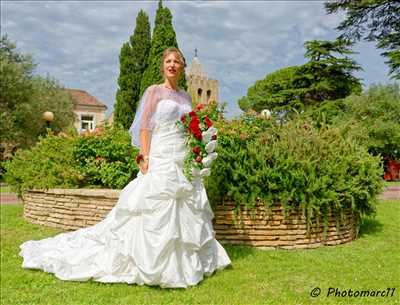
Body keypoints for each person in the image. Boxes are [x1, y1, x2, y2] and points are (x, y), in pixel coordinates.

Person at [19, 47, 232, 288]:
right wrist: (145, 155)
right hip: (160, 155)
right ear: (163, 66)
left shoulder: (186, 97)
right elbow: (144, 126)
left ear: (183, 67)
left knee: (187, 205)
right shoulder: (154, 91)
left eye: (177, 62)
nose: (172, 65)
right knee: (154, 203)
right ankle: (146, 260)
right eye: (168, 61)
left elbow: (189, 125)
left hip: (181, 155)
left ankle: (186, 263)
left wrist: (197, 148)